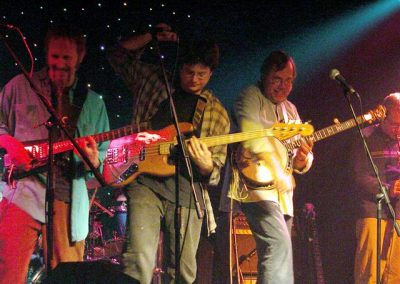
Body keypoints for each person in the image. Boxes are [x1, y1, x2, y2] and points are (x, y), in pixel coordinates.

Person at [107, 24, 230, 283]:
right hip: (144, 184)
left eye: (202, 74)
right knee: (137, 261)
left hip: (187, 192)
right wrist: (151, 36)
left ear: (211, 73)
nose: (194, 79)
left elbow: (216, 173)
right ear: (180, 65)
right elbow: (116, 55)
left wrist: (207, 165)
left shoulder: (217, 112)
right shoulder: (154, 79)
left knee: (183, 273)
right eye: (189, 71)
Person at [0, 23, 110, 283]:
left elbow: (104, 162)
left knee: (67, 277)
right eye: (54, 56)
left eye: (66, 58)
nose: (59, 64)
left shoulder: (94, 104)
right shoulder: (20, 86)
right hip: (22, 193)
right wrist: (11, 144)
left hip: (68, 199)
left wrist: (95, 161)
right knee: (7, 272)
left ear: (80, 58)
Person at [230, 50, 314, 283]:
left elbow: (300, 158)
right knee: (278, 246)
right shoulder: (249, 96)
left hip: (284, 194)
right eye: (277, 79)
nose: (283, 86)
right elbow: (252, 137)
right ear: (264, 75)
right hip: (255, 188)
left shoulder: (291, 109)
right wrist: (277, 169)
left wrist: (302, 159)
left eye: (288, 80)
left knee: (279, 253)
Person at [352, 93, 400, 284]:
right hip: (373, 212)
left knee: (394, 275)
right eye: (396, 124)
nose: (399, 130)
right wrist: (389, 188)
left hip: (398, 214)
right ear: (383, 116)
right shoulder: (365, 137)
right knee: (369, 274)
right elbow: (359, 175)